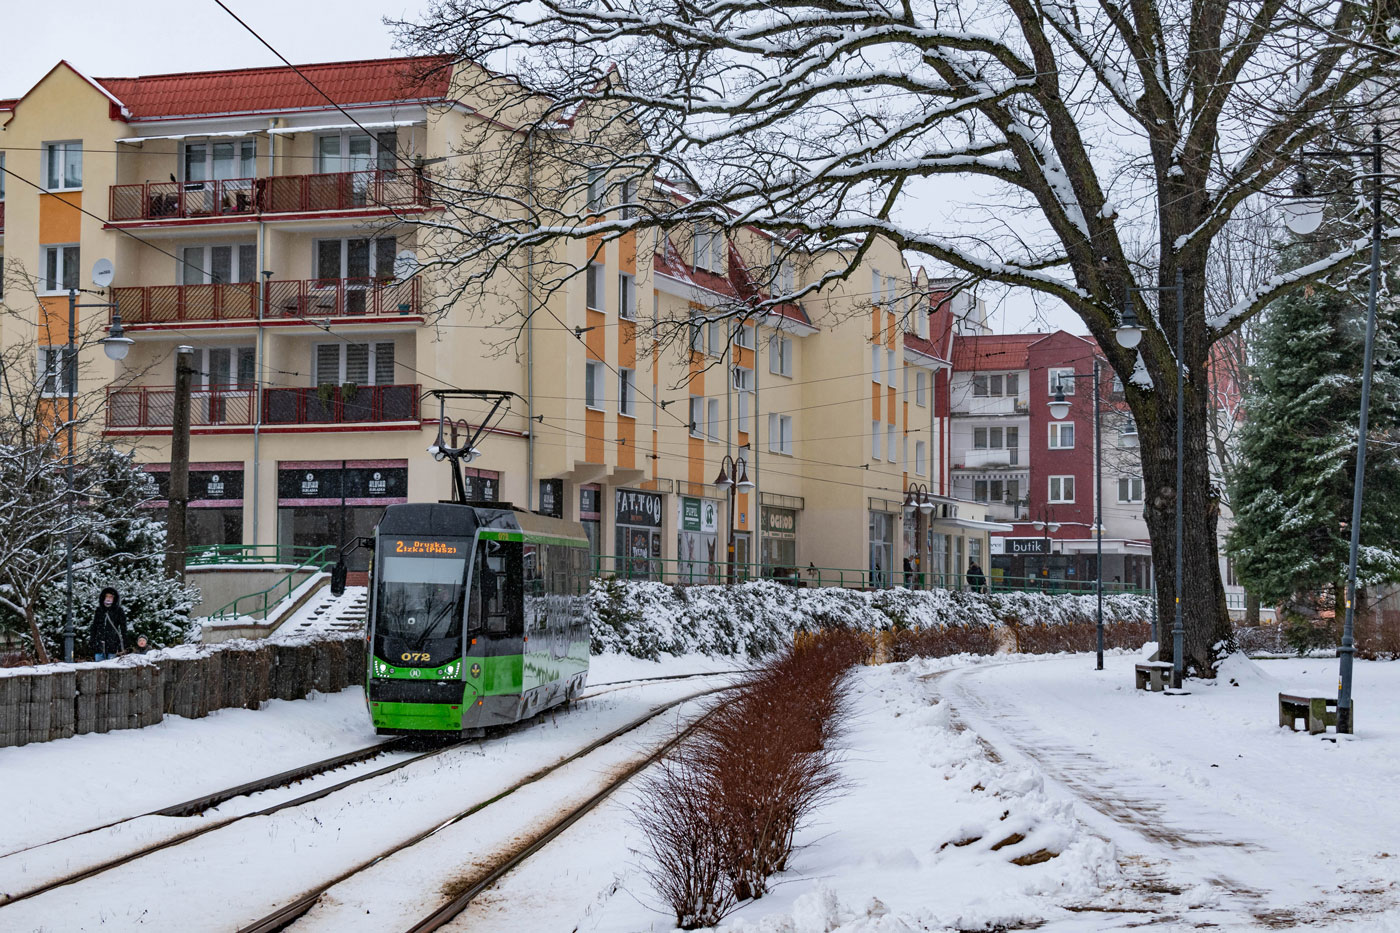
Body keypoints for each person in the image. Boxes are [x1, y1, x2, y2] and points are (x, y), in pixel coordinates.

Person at [90, 588, 130, 661]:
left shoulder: (118, 610)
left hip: (113, 644)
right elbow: (94, 626)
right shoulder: (99, 610)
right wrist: (93, 641)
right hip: (99, 645)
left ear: (114, 598)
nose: (108, 598)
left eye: (111, 596)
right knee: (99, 668)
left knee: (112, 668)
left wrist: (124, 643)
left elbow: (123, 628)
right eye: (107, 596)